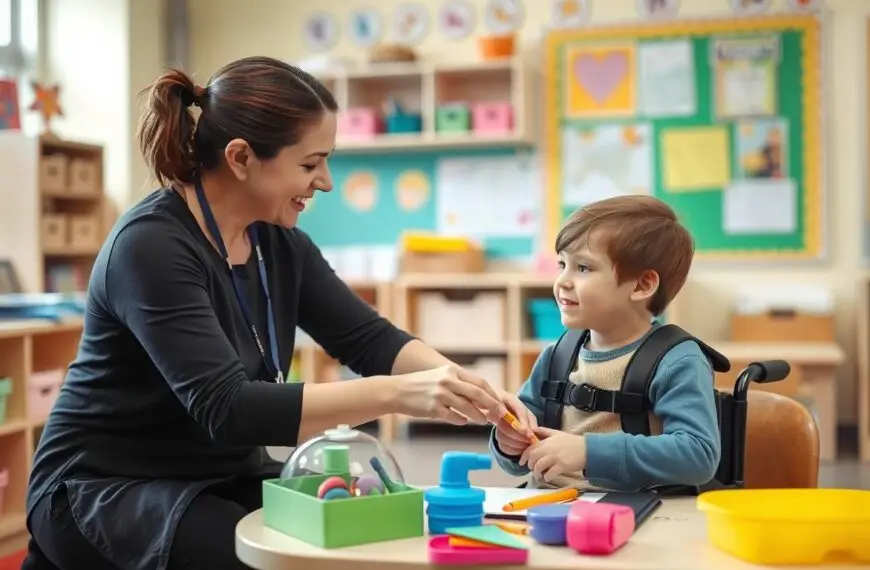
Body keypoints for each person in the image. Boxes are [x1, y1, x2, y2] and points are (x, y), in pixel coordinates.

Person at [22, 56, 534, 570]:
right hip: (107, 489)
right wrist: (400, 395)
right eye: (310, 164)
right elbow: (226, 408)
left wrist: (464, 385)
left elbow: (369, 339)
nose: (326, 181)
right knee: (272, 559)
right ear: (241, 157)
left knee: (369, 531)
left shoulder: (278, 243)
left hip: (219, 475)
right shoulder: (150, 247)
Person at [490, 196, 721, 491]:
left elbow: (698, 455)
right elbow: (517, 452)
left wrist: (587, 451)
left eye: (583, 268)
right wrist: (507, 443)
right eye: (562, 264)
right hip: (547, 505)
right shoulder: (557, 355)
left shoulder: (677, 361)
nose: (562, 280)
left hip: (632, 512)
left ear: (642, 285)